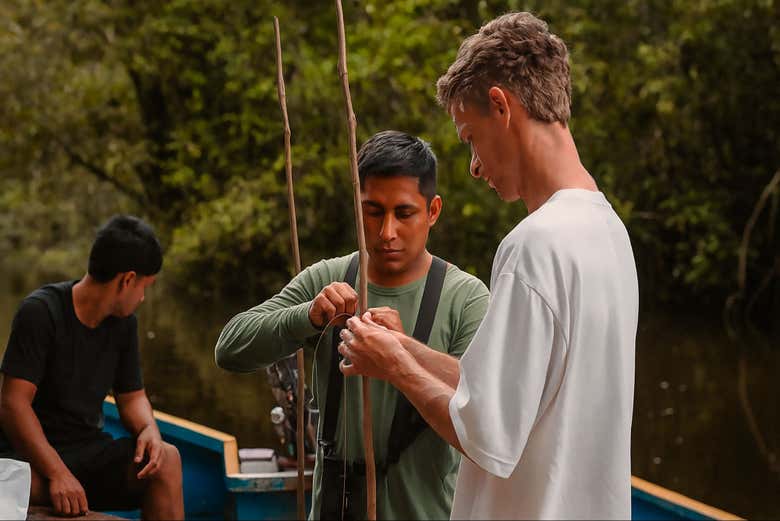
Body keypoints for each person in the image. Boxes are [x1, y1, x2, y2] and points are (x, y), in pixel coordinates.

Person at [338, 12, 639, 520]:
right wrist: (406, 346)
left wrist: (394, 367)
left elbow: (488, 436)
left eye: (470, 138)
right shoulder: (610, 232)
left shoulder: (534, 244)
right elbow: (513, 392)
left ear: (501, 106)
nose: (474, 165)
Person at [215, 130, 489, 520]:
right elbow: (230, 348)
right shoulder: (328, 277)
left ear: (433, 211)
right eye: (373, 211)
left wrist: (402, 351)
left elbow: (484, 416)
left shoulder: (466, 298)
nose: (386, 232)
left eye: (404, 213)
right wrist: (308, 315)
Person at [0, 215, 184, 519]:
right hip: (30, 459)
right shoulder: (41, 312)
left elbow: (132, 397)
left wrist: (149, 429)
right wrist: (58, 473)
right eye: (143, 287)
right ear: (127, 280)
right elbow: (13, 404)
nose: (142, 297)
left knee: (167, 460)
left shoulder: (124, 324)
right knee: (14, 484)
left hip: (87, 452)